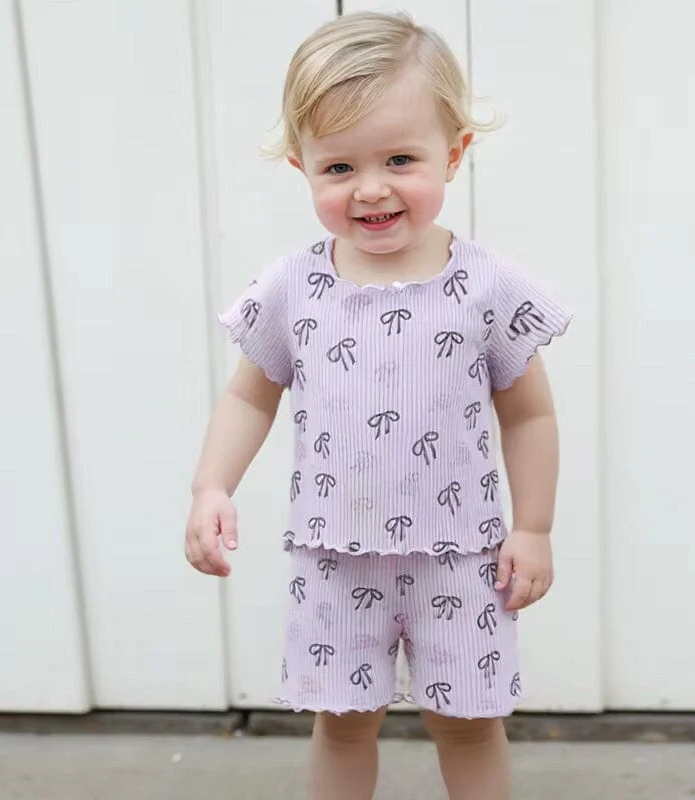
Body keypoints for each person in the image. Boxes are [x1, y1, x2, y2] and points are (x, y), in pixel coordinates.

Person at [185, 10, 571, 800]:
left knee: (468, 722)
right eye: (338, 167)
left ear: (453, 153)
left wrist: (533, 528)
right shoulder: (293, 288)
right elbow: (249, 394)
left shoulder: (487, 286)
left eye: (400, 158)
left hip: (461, 557)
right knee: (343, 721)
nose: (370, 189)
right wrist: (210, 485)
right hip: (335, 555)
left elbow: (529, 414)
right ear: (301, 167)